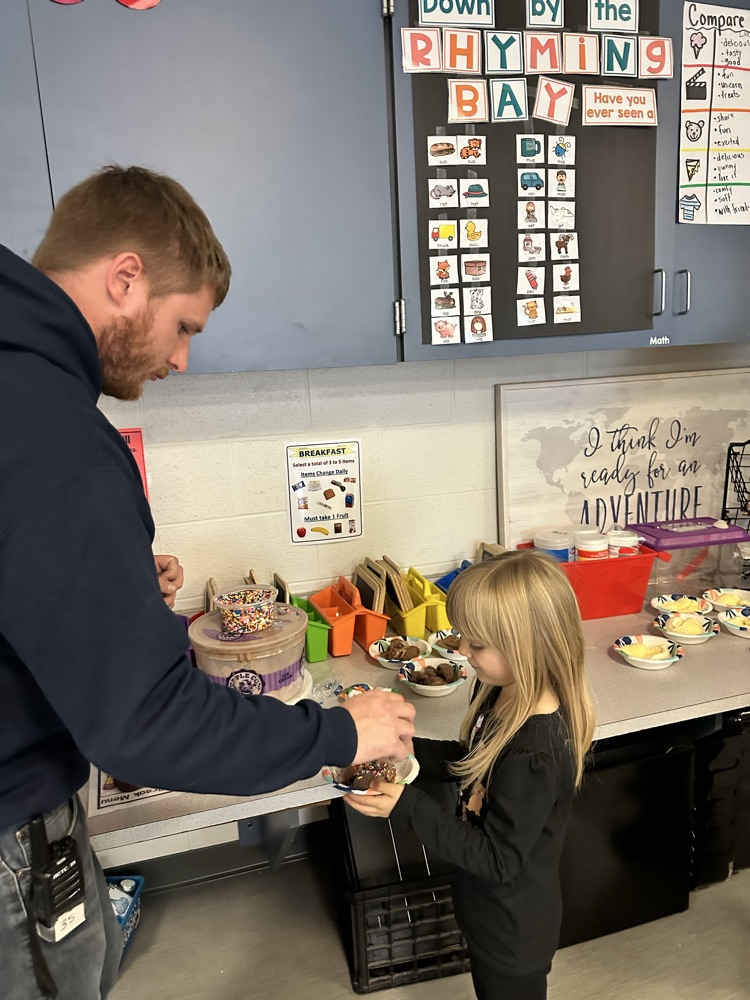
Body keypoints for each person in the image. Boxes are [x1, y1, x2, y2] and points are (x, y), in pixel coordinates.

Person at [0, 165, 415, 1000]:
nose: (183, 359)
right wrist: (338, 733)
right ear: (126, 278)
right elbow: (145, 722)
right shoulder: (56, 435)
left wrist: (106, 588)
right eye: (183, 325)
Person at [346, 551, 595, 1000]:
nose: (460, 652)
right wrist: (402, 747)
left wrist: (406, 804)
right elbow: (474, 761)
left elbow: (498, 860)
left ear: (527, 646)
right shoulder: (499, 689)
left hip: (513, 931)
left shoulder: (534, 753)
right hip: (484, 909)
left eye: (476, 645)